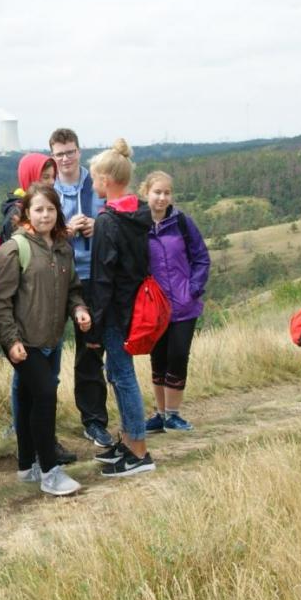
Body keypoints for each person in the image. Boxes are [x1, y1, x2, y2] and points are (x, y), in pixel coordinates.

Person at [0, 184, 91, 496]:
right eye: (38, 209)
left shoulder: (62, 246)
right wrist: (11, 340)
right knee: (45, 396)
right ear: (27, 213)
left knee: (32, 398)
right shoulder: (14, 249)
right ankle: (50, 472)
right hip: (23, 341)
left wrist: (79, 309)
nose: (45, 215)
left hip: (50, 336)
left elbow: (72, 288)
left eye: (50, 209)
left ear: (58, 211)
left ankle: (26, 466)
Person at [85, 138, 157, 477]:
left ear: (107, 180)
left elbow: (102, 279)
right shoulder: (139, 215)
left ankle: (139, 451)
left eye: (95, 177)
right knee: (118, 373)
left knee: (123, 377)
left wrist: (95, 327)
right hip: (136, 306)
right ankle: (129, 441)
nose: (93, 182)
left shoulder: (108, 221)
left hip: (116, 311)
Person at [48, 128, 112, 449]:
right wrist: (65, 231)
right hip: (58, 280)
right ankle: (41, 428)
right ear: (53, 157)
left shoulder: (97, 184)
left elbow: (116, 219)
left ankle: (94, 421)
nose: (65, 159)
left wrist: (96, 225)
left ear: (79, 151)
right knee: (46, 353)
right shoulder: (48, 193)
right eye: (59, 154)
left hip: (94, 278)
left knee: (90, 352)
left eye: (70, 152)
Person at [139, 171, 211, 432]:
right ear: (146, 192)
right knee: (158, 360)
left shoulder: (182, 222)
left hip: (184, 305)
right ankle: (160, 415)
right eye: (157, 192)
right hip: (154, 308)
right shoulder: (138, 225)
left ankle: (173, 414)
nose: (162, 197)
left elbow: (201, 257)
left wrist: (193, 289)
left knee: (178, 357)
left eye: (167, 193)